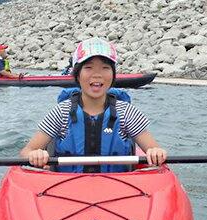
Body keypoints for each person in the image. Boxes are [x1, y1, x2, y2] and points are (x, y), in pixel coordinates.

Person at [20, 37, 167, 172]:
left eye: (105, 68)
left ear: (113, 74)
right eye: (88, 68)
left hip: (119, 190)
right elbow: (26, 152)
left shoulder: (127, 112)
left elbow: (154, 149)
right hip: (67, 189)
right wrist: (35, 154)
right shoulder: (61, 112)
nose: (97, 74)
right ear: (77, 74)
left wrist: (156, 152)